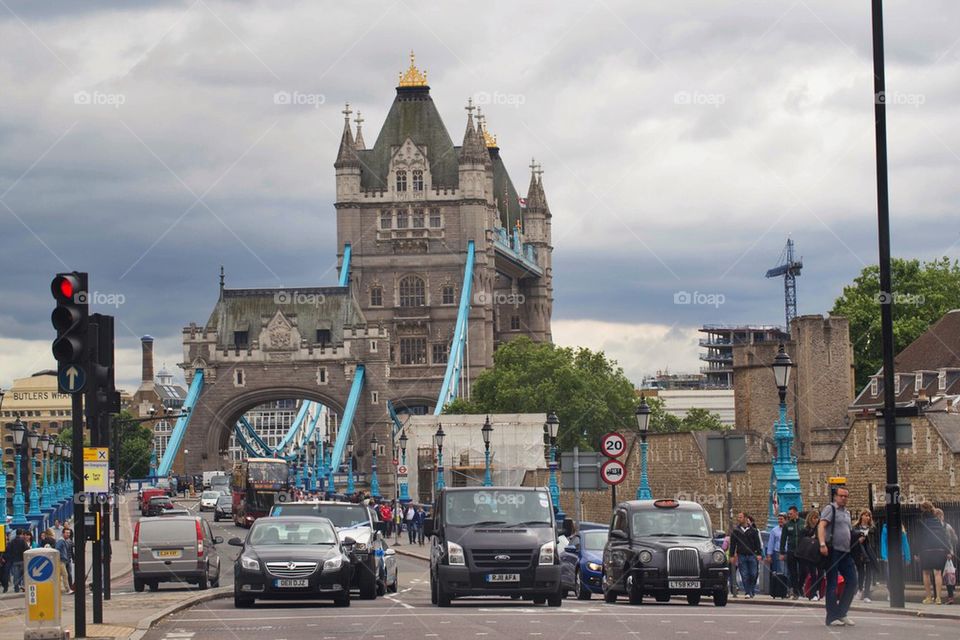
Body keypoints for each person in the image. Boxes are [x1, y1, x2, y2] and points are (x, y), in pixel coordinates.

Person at [819, 486, 858, 627]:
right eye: (841, 496)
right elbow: (821, 525)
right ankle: (832, 615)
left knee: (853, 581)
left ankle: (842, 612)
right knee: (833, 584)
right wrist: (822, 543)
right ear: (835, 496)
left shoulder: (847, 513)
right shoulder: (831, 509)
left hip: (845, 552)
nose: (843, 498)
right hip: (833, 551)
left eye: (846, 496)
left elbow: (847, 531)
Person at [915, 500, 950, 605]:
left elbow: (919, 538)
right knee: (938, 573)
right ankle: (938, 598)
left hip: (926, 549)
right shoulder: (938, 522)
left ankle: (929, 597)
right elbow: (944, 537)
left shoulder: (922, 521)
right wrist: (947, 550)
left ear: (923, 510)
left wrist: (917, 552)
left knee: (926, 573)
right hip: (939, 549)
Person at [729, 512, 763, 599]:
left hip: (752, 555)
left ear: (745, 518)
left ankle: (752, 590)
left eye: (740, 517)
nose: (738, 519)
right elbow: (733, 544)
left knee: (753, 573)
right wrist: (731, 555)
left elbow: (757, 543)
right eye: (738, 517)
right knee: (744, 574)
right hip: (742, 555)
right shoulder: (736, 531)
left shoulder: (753, 531)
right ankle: (747, 592)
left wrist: (759, 554)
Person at [852, 509, 876, 602]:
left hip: (869, 552)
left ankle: (866, 594)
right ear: (861, 516)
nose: (867, 517)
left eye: (869, 516)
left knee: (869, 573)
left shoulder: (872, 528)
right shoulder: (855, 527)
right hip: (859, 552)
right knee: (861, 571)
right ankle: (859, 590)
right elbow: (852, 539)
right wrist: (858, 541)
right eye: (866, 515)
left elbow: (875, 542)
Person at [800, 510, 825, 600]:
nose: (816, 520)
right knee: (813, 574)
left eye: (817, 518)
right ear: (810, 518)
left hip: (818, 554)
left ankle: (817, 590)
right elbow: (802, 541)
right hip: (809, 555)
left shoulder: (820, 529)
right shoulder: (805, 530)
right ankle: (813, 593)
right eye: (814, 518)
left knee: (821, 574)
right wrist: (811, 538)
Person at [934, 508, 956, 604]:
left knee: (936, 574)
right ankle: (950, 597)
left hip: (937, 553)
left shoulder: (933, 527)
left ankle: (936, 596)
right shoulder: (948, 526)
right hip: (948, 553)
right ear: (942, 516)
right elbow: (955, 539)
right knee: (948, 575)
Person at [779, 506, 802, 599]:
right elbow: (783, 539)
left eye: (791, 514)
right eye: (788, 514)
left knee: (802, 571)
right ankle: (795, 592)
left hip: (802, 552)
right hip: (791, 551)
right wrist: (782, 552)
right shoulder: (787, 525)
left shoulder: (803, 523)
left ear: (796, 513)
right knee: (793, 572)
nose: (789, 515)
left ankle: (800, 588)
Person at [55, 528, 75, 594]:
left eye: (69, 533)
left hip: (64, 560)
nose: (68, 534)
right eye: (66, 533)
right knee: (65, 574)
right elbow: (57, 549)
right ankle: (67, 589)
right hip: (61, 560)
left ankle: (58, 589)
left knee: (59, 575)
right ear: (63, 533)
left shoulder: (66, 540)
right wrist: (61, 556)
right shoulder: (61, 541)